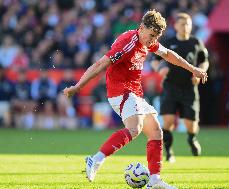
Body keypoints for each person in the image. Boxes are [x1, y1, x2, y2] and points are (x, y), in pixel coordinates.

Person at [64, 10, 207, 189]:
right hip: (119, 90)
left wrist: (193, 69)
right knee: (135, 127)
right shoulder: (128, 43)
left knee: (156, 131)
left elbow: (170, 55)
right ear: (142, 28)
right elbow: (100, 64)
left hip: (134, 92)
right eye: (151, 35)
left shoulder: (148, 40)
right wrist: (78, 86)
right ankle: (95, 159)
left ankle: (154, 180)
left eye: (156, 36)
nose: (152, 40)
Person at [151, 13, 209, 162]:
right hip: (170, 87)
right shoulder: (168, 42)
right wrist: (160, 69)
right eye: (182, 24)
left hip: (189, 88)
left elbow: (204, 61)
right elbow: (155, 61)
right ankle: (169, 152)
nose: (185, 26)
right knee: (168, 121)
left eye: (188, 23)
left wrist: (200, 71)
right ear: (176, 26)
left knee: (191, 125)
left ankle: (192, 138)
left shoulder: (196, 42)